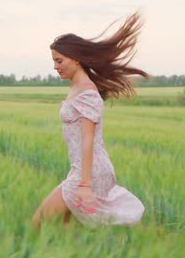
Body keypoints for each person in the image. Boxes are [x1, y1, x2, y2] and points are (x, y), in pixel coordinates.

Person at [32, 12, 147, 231]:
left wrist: (84, 185)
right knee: (65, 227)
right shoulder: (79, 87)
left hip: (89, 173)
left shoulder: (86, 92)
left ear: (75, 58)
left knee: (39, 223)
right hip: (86, 170)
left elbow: (87, 138)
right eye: (54, 61)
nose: (55, 66)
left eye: (59, 60)